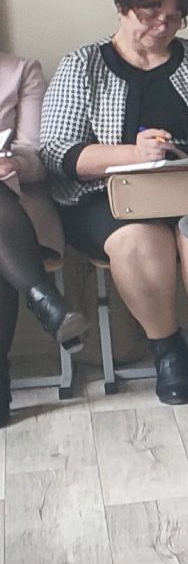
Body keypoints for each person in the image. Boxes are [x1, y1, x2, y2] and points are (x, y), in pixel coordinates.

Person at [39, 0, 188, 407]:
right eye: (151, 14)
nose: (163, 26)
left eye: (174, 17)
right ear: (122, 8)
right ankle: (168, 351)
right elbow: (56, 151)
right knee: (139, 242)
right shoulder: (83, 65)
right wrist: (133, 155)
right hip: (109, 199)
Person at [0, 49, 87, 421]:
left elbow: (39, 156)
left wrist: (14, 163)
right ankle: (46, 301)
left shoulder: (21, 71)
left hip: (15, 207)